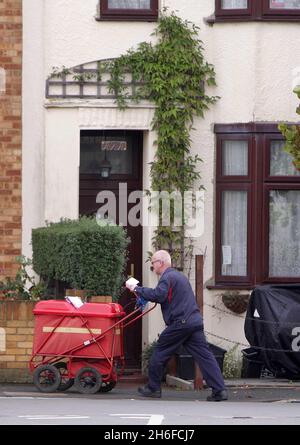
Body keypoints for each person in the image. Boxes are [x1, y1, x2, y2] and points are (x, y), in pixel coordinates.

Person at [126, 250, 228, 401]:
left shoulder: (167, 277)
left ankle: (153, 388)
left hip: (180, 323)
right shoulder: (179, 276)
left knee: (160, 351)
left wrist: (137, 289)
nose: (153, 267)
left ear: (161, 263)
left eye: (153, 263)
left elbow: (158, 295)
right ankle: (220, 390)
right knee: (205, 356)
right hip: (194, 322)